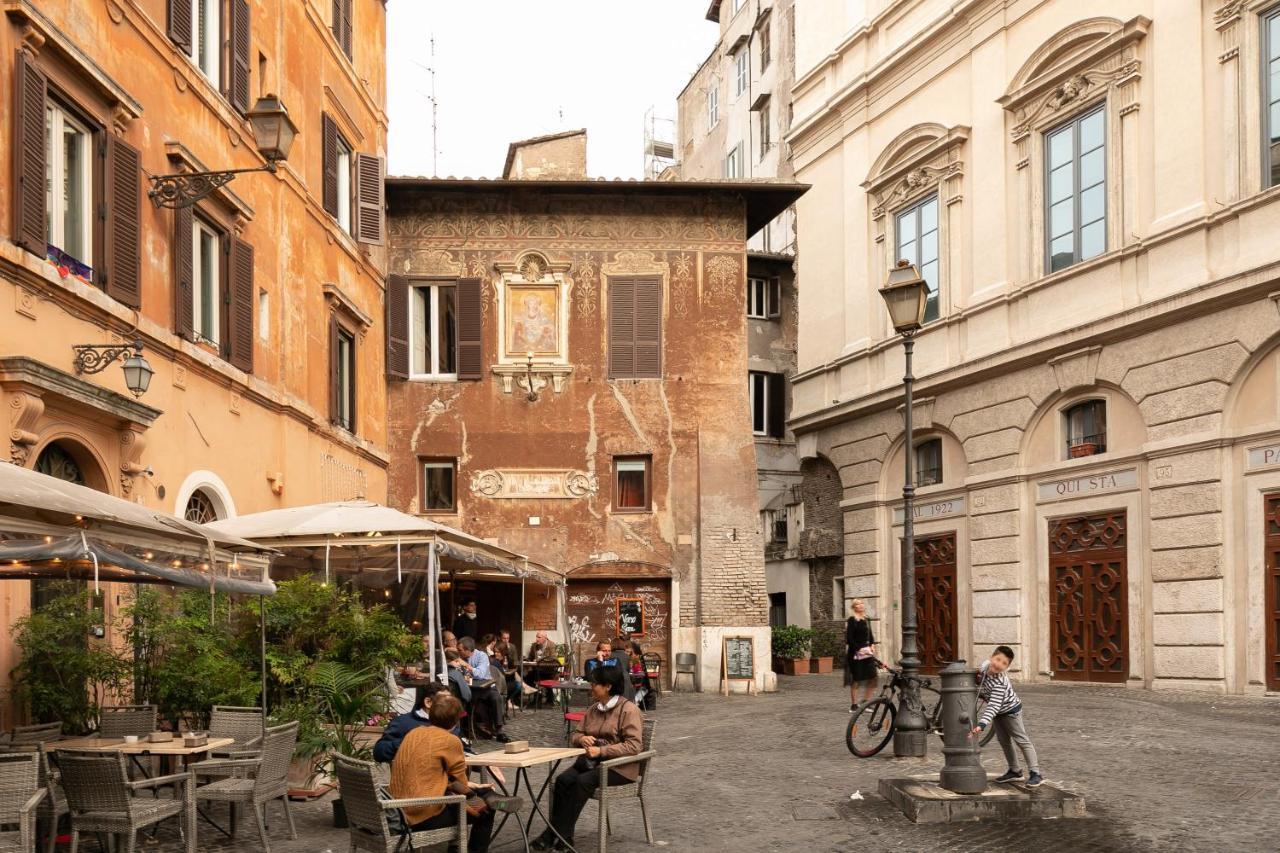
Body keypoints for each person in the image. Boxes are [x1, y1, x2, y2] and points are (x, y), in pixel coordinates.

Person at [532, 666, 643, 851]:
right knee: (563, 780)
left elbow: (634, 746)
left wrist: (602, 751)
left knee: (582, 781)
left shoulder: (628, 710)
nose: (590, 687)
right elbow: (574, 735)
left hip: (618, 768)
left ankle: (552, 835)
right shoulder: (593, 709)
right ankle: (564, 838)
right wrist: (582, 739)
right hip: (590, 763)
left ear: (607, 686)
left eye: (594, 684)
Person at [390, 694, 519, 853]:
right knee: (485, 810)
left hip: (398, 808)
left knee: (479, 793)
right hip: (422, 814)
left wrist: (474, 787)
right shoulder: (450, 740)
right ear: (456, 720)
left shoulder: (413, 733)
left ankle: (490, 795)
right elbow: (461, 784)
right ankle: (491, 800)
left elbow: (433, 777)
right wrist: (472, 789)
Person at [971, 645, 1043, 787]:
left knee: (1022, 740)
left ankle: (1036, 773)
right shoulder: (985, 666)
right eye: (997, 659)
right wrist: (977, 678)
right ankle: (1015, 771)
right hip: (999, 713)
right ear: (991, 657)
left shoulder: (1000, 682)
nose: (999, 664)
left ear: (1007, 667)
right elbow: (980, 677)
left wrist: (982, 724)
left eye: (1004, 663)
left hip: (1011, 711)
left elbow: (993, 706)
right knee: (1004, 741)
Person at [374, 682, 447, 763]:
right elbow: (379, 752)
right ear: (428, 702)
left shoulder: (451, 724)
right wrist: (407, 742)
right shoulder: (403, 722)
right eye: (445, 702)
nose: (451, 706)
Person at [458, 637, 509, 743]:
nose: (458, 652)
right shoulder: (459, 657)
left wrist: (467, 666)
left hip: (487, 686)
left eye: (460, 650)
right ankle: (472, 729)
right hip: (471, 688)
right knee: (470, 702)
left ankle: (499, 731)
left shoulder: (481, 656)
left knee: (496, 698)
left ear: (468, 650)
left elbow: (480, 674)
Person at [845, 598, 878, 711]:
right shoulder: (852, 620)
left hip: (867, 652)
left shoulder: (867, 619)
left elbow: (870, 635)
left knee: (873, 677)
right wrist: (859, 649)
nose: (861, 605)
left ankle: (866, 702)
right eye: (858, 604)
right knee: (857, 679)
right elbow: (849, 639)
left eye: (862, 603)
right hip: (856, 653)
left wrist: (872, 645)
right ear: (854, 607)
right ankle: (854, 705)